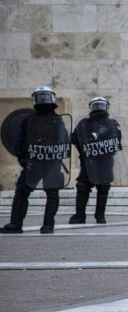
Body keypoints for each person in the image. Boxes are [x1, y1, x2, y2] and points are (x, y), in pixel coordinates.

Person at [2, 86, 71, 234]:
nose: (44, 100)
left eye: (45, 97)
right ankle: (22, 224)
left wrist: (23, 158)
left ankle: (43, 225)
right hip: (37, 162)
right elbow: (20, 140)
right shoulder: (32, 119)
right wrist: (22, 158)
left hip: (46, 162)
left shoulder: (56, 120)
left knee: (48, 193)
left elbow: (64, 140)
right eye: (42, 97)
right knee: (24, 192)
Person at [68, 97, 122, 225]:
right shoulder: (84, 123)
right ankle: (80, 216)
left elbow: (117, 140)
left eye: (100, 105)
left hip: (105, 160)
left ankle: (100, 216)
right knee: (83, 186)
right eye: (96, 105)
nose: (98, 108)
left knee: (103, 187)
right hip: (89, 160)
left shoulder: (112, 124)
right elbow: (75, 138)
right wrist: (85, 146)